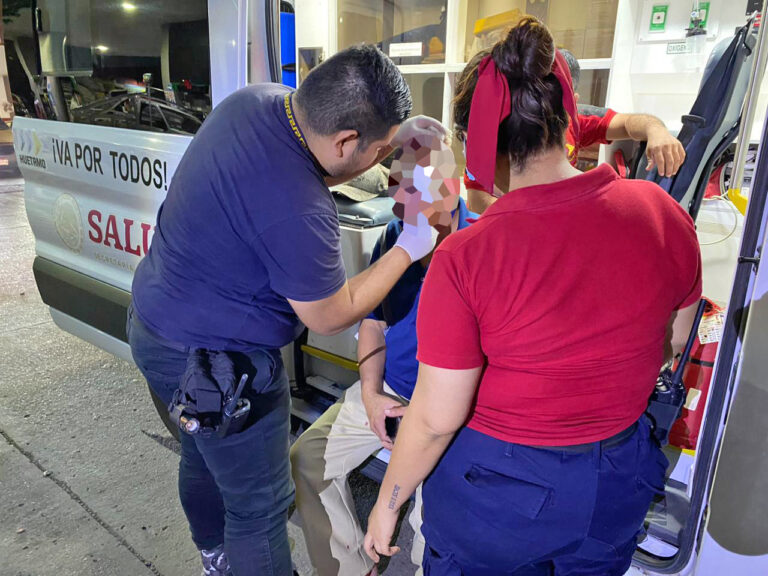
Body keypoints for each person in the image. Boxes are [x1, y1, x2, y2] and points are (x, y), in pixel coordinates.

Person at [364, 18, 702, 576]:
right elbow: (675, 340)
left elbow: (436, 419)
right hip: (616, 481)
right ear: (567, 118)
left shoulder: (469, 255)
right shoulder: (660, 213)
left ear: (477, 142)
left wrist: (387, 503)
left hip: (501, 493)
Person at [127, 44, 447, 576]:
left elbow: (322, 166)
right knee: (259, 507)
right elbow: (331, 315)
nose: (389, 168)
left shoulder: (257, 102)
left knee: (203, 452)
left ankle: (215, 558)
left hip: (154, 321)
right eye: (381, 153)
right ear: (345, 140)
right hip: (216, 365)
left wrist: (392, 143)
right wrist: (409, 247)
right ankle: (232, 559)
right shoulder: (301, 206)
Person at [290, 134, 472, 576]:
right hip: (391, 389)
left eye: (417, 197)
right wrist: (371, 394)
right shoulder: (397, 236)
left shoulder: (479, 243)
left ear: (452, 189)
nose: (403, 211)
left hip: (449, 409)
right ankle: (354, 569)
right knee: (307, 459)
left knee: (434, 526)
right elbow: (373, 323)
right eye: (399, 196)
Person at [465, 47, 687, 214]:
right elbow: (476, 200)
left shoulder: (577, 122)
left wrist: (656, 130)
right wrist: (530, 215)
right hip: (508, 223)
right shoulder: (497, 132)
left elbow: (628, 122)